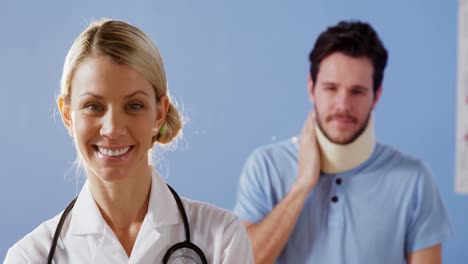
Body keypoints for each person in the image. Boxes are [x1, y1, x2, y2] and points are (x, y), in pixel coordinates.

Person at [4, 19, 253, 264]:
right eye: (94, 106)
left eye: (134, 106)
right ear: (68, 115)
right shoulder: (30, 257)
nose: (112, 129)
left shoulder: (221, 238)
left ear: (159, 113)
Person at [233, 20, 452, 264]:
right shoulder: (265, 166)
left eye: (357, 92)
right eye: (330, 88)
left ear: (376, 96)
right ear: (311, 88)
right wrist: (303, 184)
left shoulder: (414, 179)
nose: (342, 105)